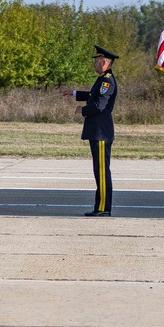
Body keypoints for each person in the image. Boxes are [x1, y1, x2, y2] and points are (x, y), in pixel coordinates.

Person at [63, 45, 119, 216]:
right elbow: (92, 95)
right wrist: (73, 93)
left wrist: (83, 110)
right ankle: (101, 206)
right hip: (98, 130)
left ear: (104, 62)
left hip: (101, 130)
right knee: (99, 169)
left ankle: (103, 208)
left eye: (96, 61)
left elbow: (99, 104)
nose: (94, 64)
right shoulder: (103, 79)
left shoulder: (107, 81)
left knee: (102, 170)